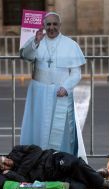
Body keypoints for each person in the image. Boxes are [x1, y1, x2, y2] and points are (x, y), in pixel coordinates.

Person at [19, 11, 87, 162]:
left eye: (54, 24)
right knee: (37, 125)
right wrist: (35, 42)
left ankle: (59, 161)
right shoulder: (36, 40)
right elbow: (26, 56)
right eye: (48, 24)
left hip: (60, 93)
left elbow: (76, 73)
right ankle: (36, 161)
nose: (51, 27)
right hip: (38, 92)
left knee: (60, 131)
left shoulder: (70, 44)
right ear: (44, 25)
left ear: (60, 25)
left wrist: (66, 87)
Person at [0, 144, 109, 189]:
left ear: (3, 156)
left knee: (75, 163)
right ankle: (96, 174)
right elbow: (24, 182)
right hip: (50, 174)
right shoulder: (11, 174)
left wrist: (22, 170)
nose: (5, 163)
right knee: (77, 185)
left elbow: (36, 150)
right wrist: (11, 173)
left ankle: (102, 183)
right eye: (2, 166)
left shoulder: (16, 151)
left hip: (52, 158)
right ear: (2, 170)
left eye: (2, 159)